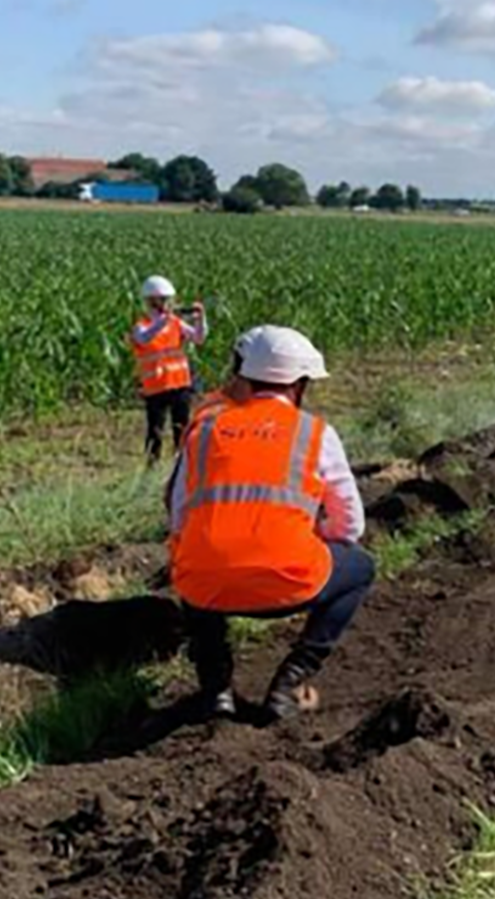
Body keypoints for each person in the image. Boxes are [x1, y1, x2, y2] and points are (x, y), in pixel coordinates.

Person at [166, 325, 374, 721]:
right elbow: (350, 527)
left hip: (207, 588)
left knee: (194, 557)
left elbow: (178, 517)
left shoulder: (204, 430)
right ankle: (293, 679)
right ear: (299, 384)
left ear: (245, 376)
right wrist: (311, 538)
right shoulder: (315, 433)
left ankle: (215, 690)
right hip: (290, 583)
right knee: (360, 566)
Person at [129, 275, 207, 464]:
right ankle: (151, 466)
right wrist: (164, 320)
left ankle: (181, 465)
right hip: (155, 386)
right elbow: (144, 338)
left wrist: (200, 319)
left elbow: (198, 338)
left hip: (180, 383)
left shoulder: (175, 323)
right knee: (155, 429)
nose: (167, 303)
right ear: (151, 301)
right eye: (162, 299)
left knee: (181, 428)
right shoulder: (141, 326)